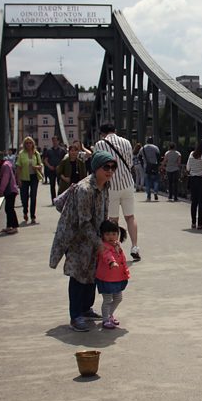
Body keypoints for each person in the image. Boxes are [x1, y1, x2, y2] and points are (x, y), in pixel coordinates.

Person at [50, 150, 118, 332]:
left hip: (94, 237)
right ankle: (75, 316)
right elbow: (84, 221)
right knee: (79, 275)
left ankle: (86, 309)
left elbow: (102, 216)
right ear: (96, 168)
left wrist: (109, 237)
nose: (110, 171)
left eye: (113, 167)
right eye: (106, 167)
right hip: (77, 238)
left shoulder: (105, 186)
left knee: (92, 273)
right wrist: (99, 243)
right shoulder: (85, 189)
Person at [93, 123, 141, 261]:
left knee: (113, 220)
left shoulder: (99, 144)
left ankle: (115, 249)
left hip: (111, 186)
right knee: (130, 217)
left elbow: (97, 166)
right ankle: (135, 247)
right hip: (127, 184)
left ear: (102, 133)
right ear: (115, 130)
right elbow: (130, 163)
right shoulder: (126, 142)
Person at [95, 219, 131, 329]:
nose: (111, 237)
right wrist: (112, 262)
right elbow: (107, 256)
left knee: (118, 298)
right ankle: (106, 319)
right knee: (107, 299)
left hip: (117, 277)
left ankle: (109, 315)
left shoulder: (116, 245)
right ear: (102, 235)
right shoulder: (103, 246)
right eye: (107, 234)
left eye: (114, 234)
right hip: (106, 278)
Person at [16, 136, 43, 224]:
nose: (28, 145)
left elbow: (40, 165)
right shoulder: (21, 154)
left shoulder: (36, 153)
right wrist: (18, 179)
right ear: (24, 144)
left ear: (33, 144)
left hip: (34, 177)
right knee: (24, 197)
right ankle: (25, 211)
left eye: (30, 143)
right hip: (24, 178)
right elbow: (18, 167)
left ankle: (32, 216)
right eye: (27, 143)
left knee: (33, 196)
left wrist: (37, 167)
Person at [185, 139, 202, 230]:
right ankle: (200, 224)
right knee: (201, 203)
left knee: (194, 202)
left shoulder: (192, 154)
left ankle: (193, 223)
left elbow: (188, 168)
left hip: (193, 179)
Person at [0, 150, 19, 234]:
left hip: (10, 190)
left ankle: (15, 227)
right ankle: (9, 226)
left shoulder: (5, 166)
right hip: (10, 189)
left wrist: (1, 190)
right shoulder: (6, 164)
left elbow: (5, 179)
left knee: (10, 209)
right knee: (8, 208)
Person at [42, 135, 67, 205]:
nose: (54, 142)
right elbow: (45, 160)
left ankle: (60, 199)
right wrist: (49, 166)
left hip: (60, 170)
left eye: (56, 140)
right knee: (52, 185)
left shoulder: (62, 150)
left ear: (58, 141)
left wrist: (61, 167)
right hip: (51, 170)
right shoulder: (49, 151)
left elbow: (65, 159)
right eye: (53, 141)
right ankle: (53, 200)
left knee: (60, 185)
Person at [141, 136, 161, 201]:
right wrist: (158, 164)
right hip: (154, 165)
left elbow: (139, 157)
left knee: (147, 181)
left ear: (147, 141)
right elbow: (158, 157)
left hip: (146, 166)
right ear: (152, 141)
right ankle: (155, 192)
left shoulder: (143, 148)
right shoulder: (155, 148)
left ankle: (148, 196)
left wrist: (143, 163)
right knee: (156, 180)